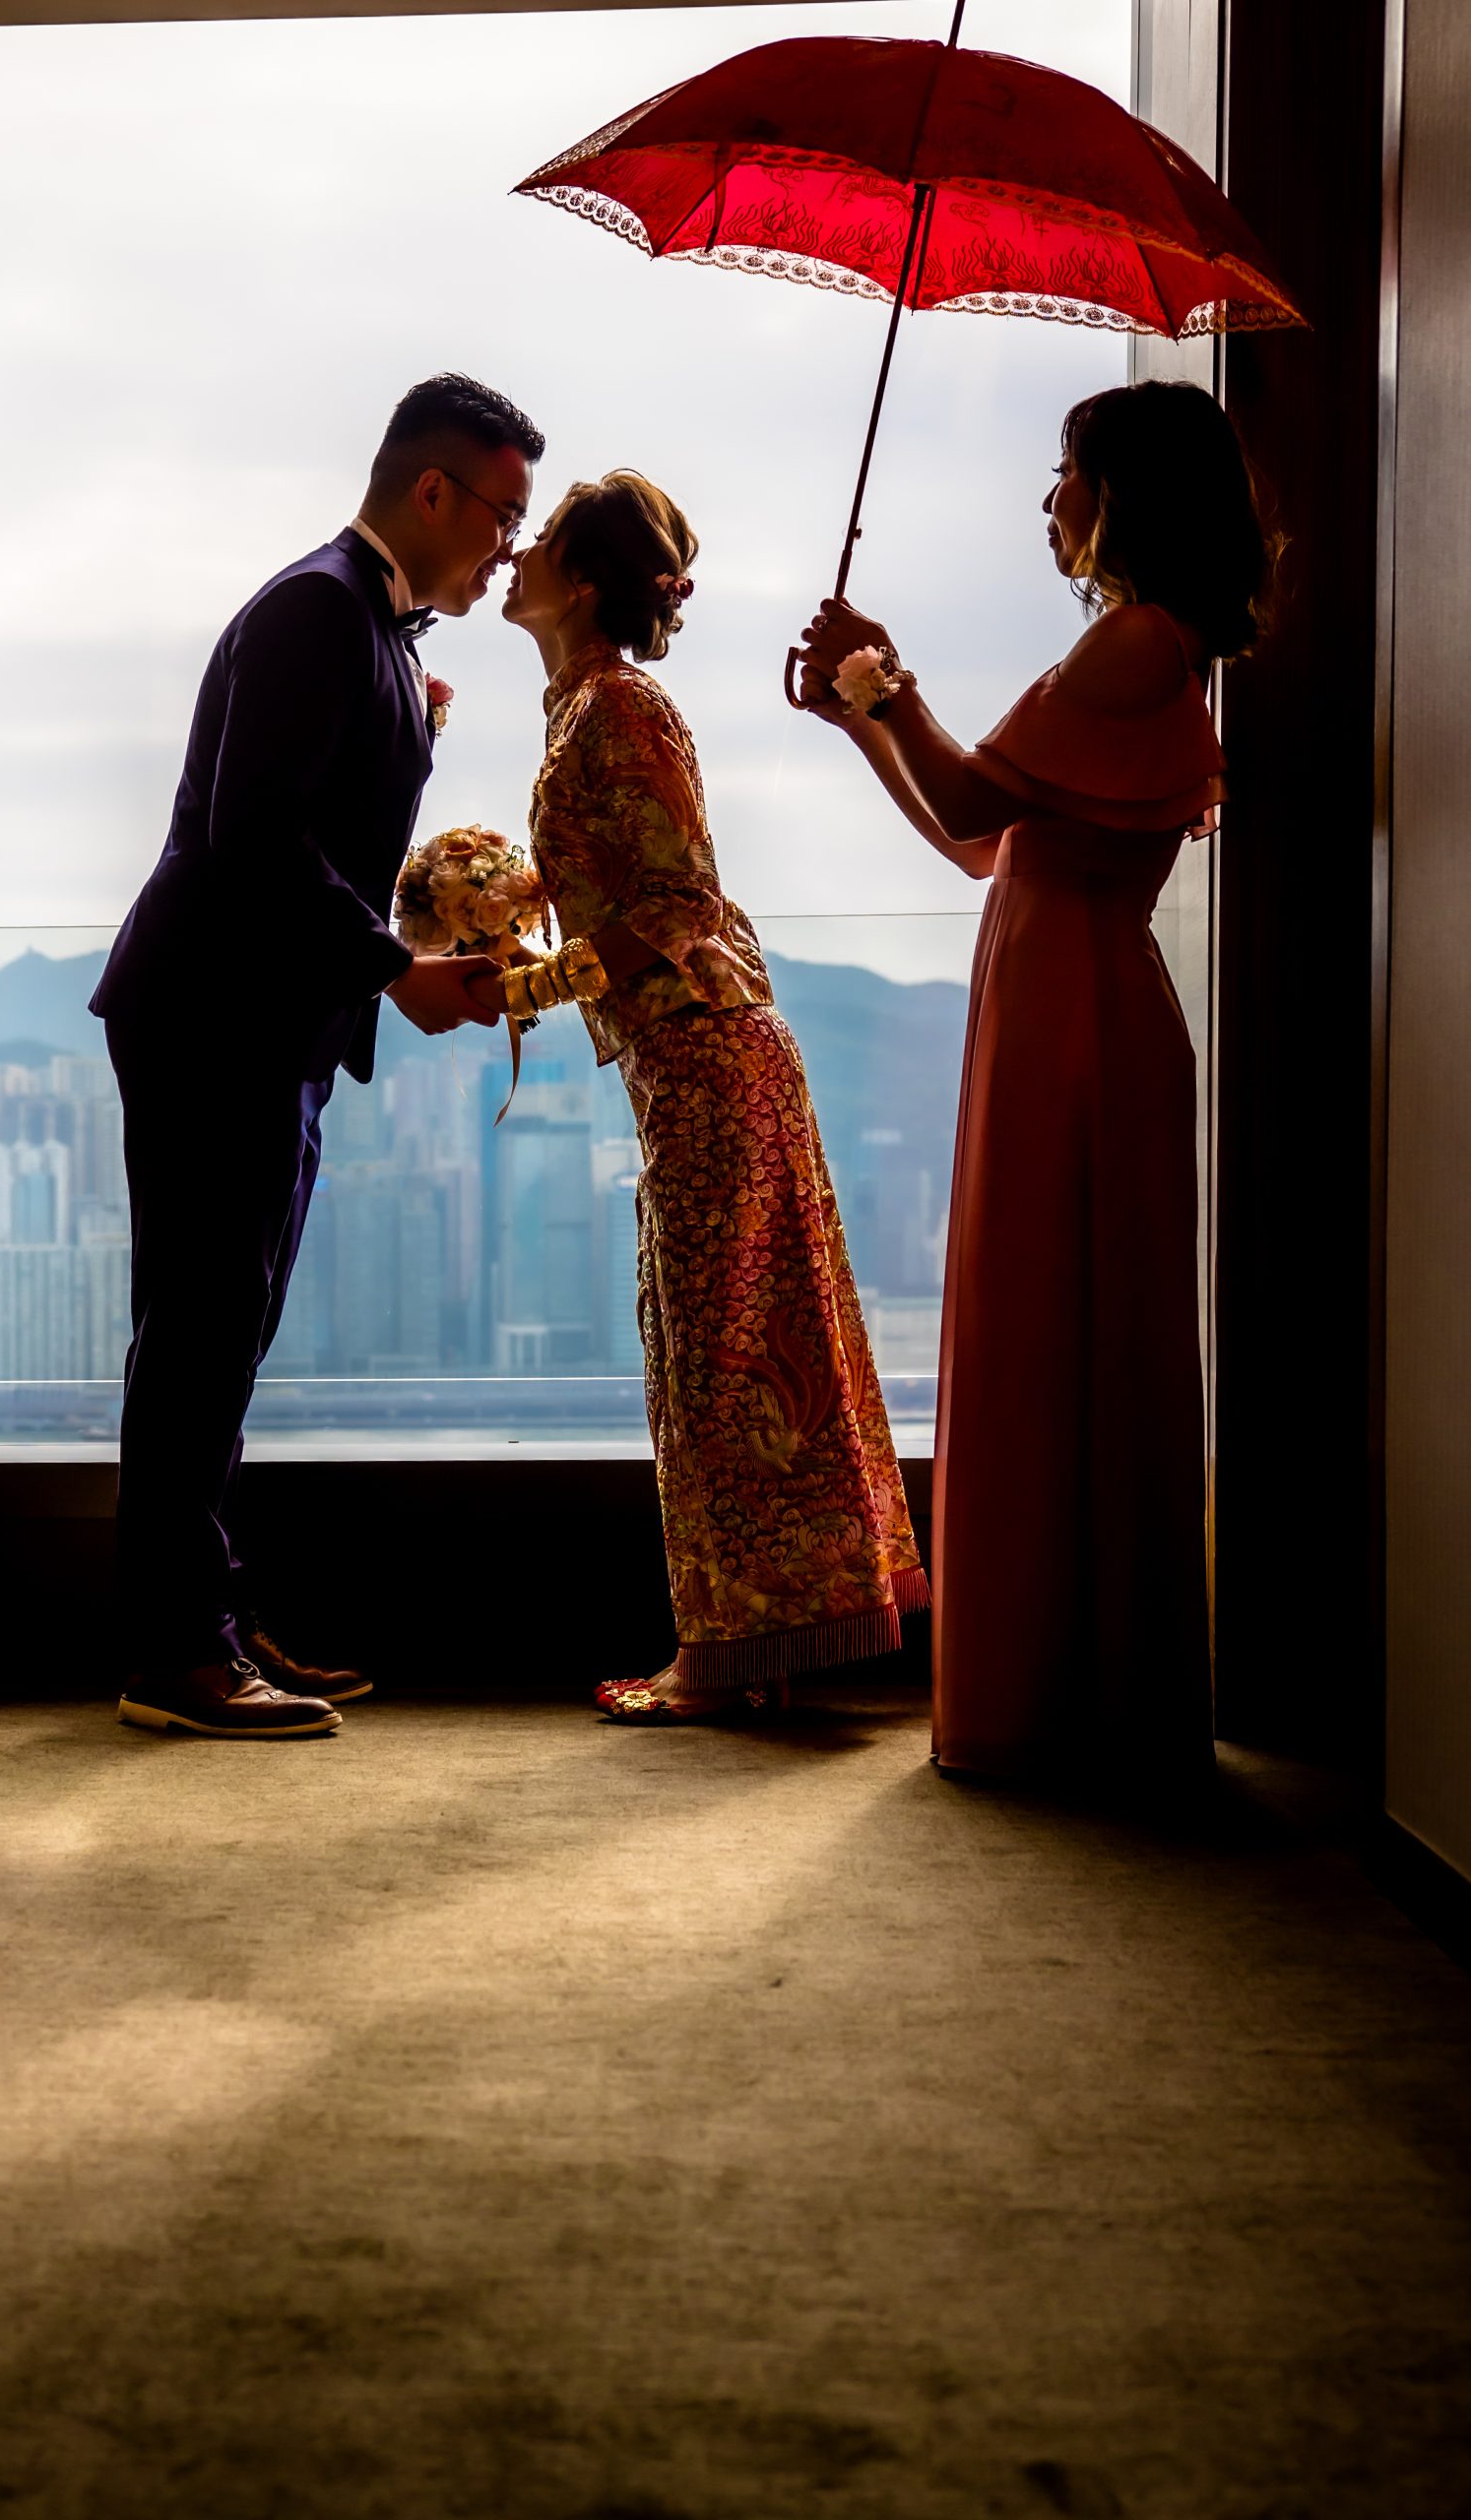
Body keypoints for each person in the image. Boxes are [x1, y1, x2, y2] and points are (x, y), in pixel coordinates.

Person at [796, 377, 1276, 1788]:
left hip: (1072, 1028)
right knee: (1056, 1332)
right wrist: (865, 713)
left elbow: (966, 803)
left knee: (1046, 1329)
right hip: (1058, 1009)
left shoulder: (1134, 641)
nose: (1049, 496)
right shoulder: (1146, 646)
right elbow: (980, 844)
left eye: (1067, 467)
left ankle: (1051, 1698)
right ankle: (1074, 1688)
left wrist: (882, 683)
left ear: (1123, 495)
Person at [91, 374, 543, 1739]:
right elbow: (252, 835)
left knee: (221, 1335)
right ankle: (175, 1652)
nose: (508, 547)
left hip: (260, 1022)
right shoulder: (318, 608)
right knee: (199, 1336)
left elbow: (317, 827)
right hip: (212, 1018)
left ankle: (205, 1617)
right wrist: (395, 968)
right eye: (502, 514)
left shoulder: (369, 625)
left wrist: (426, 907)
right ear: (431, 491)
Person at [489, 471, 927, 1723]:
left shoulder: (620, 705)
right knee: (725, 1349)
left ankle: (727, 1653)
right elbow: (625, 883)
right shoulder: (586, 709)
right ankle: (760, 1644)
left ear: (582, 582)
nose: (516, 554)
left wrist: (535, 985)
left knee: (717, 1360)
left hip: (708, 1059)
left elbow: (678, 903)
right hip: (694, 1062)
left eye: (541, 540)